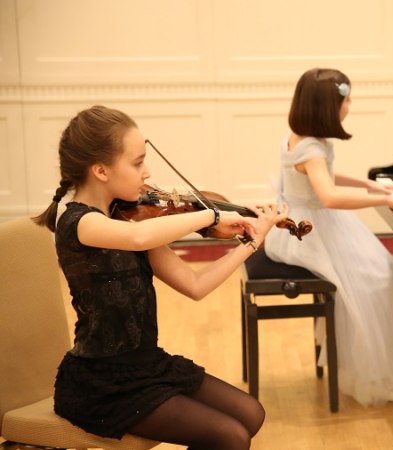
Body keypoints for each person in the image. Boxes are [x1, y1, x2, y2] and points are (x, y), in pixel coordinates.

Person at [33, 105, 286, 449]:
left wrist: (253, 240)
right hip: (101, 384)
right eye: (137, 163)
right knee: (230, 436)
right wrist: (211, 215)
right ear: (101, 170)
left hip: (147, 367)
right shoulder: (79, 223)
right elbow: (139, 238)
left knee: (250, 414)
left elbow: (195, 286)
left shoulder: (126, 219)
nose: (147, 172)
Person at [263, 68, 393, 406]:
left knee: (382, 273)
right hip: (306, 232)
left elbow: (323, 174)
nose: (350, 105)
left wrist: (369, 184)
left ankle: (374, 363)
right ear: (327, 107)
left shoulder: (304, 137)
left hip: (303, 222)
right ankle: (372, 369)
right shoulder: (311, 148)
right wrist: (387, 200)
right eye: (347, 100)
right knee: (379, 281)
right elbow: (329, 197)